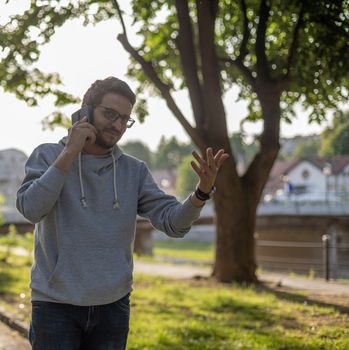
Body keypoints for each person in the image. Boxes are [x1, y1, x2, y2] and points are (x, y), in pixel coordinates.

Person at [16, 76, 229, 349]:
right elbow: (31, 209)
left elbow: (174, 225)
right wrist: (70, 151)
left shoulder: (133, 170)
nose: (117, 125)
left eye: (124, 119)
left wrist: (201, 192)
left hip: (113, 308)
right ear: (85, 109)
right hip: (55, 305)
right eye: (109, 114)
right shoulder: (48, 155)